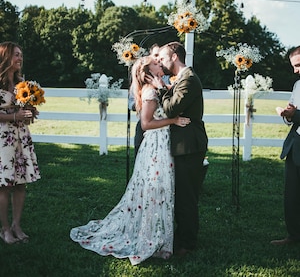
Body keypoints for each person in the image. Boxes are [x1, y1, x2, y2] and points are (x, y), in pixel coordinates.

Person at [70, 56, 191, 265]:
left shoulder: (156, 86)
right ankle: (149, 238)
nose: (159, 64)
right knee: (155, 190)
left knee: (160, 190)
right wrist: (173, 120)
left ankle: (159, 236)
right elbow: (146, 123)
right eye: (155, 63)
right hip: (156, 146)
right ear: (147, 70)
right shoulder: (150, 91)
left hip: (162, 143)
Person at [147, 41, 208, 256]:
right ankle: (181, 236)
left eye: (163, 58)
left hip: (189, 145)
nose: (161, 63)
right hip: (183, 144)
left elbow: (171, 109)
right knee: (181, 194)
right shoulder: (181, 79)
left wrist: (162, 88)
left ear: (174, 56)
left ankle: (188, 244)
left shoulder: (189, 79)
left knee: (186, 196)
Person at [0, 41, 41, 244]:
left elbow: (25, 110)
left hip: (21, 137)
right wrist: (15, 116)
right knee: (5, 185)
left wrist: (31, 112)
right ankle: (5, 229)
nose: (20, 58)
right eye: (16, 55)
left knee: (21, 183)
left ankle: (17, 225)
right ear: (5, 57)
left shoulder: (21, 82)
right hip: (3, 139)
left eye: (21, 55)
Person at [271, 46, 300, 246]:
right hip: (295, 144)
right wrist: (287, 114)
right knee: (292, 195)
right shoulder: (298, 85)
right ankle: (293, 235)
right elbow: (294, 110)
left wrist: (294, 114)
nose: (295, 70)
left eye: (298, 65)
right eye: (294, 66)